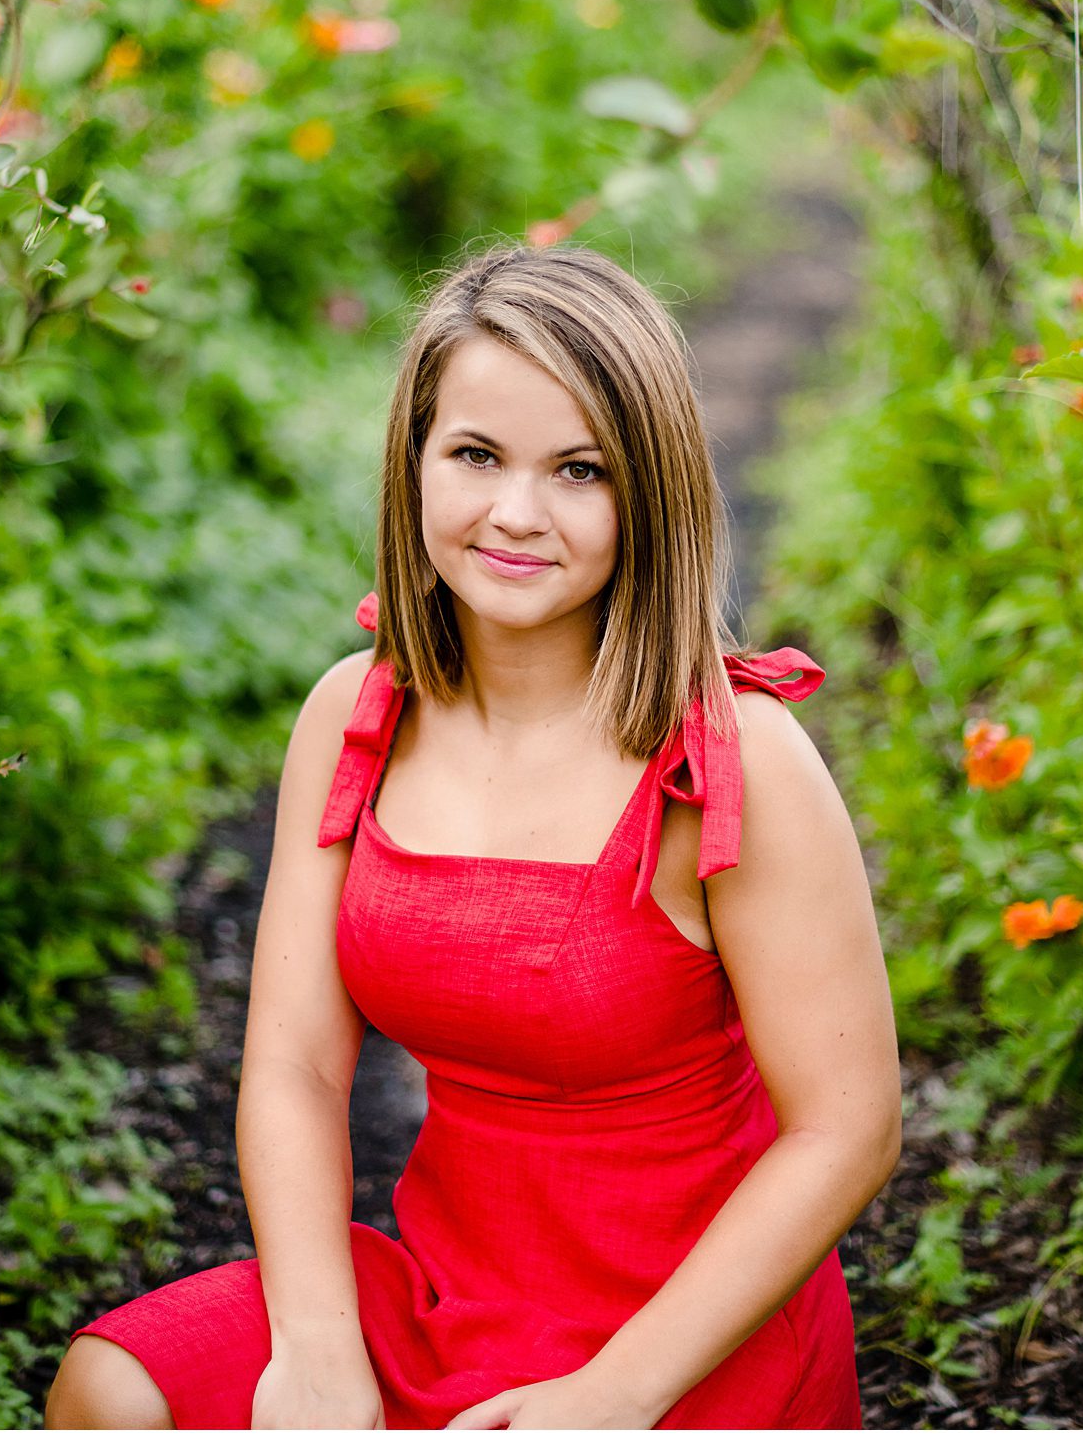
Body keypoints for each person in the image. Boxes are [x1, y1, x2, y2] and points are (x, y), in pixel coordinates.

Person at [47, 241, 903, 1429]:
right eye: (477, 454)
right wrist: (318, 1345)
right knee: (113, 1389)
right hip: (443, 1297)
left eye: (579, 471)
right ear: (416, 464)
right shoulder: (357, 716)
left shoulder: (729, 756)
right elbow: (294, 1068)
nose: (516, 512)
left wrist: (612, 1394)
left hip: (689, 1334)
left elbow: (847, 1125)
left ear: (648, 493)